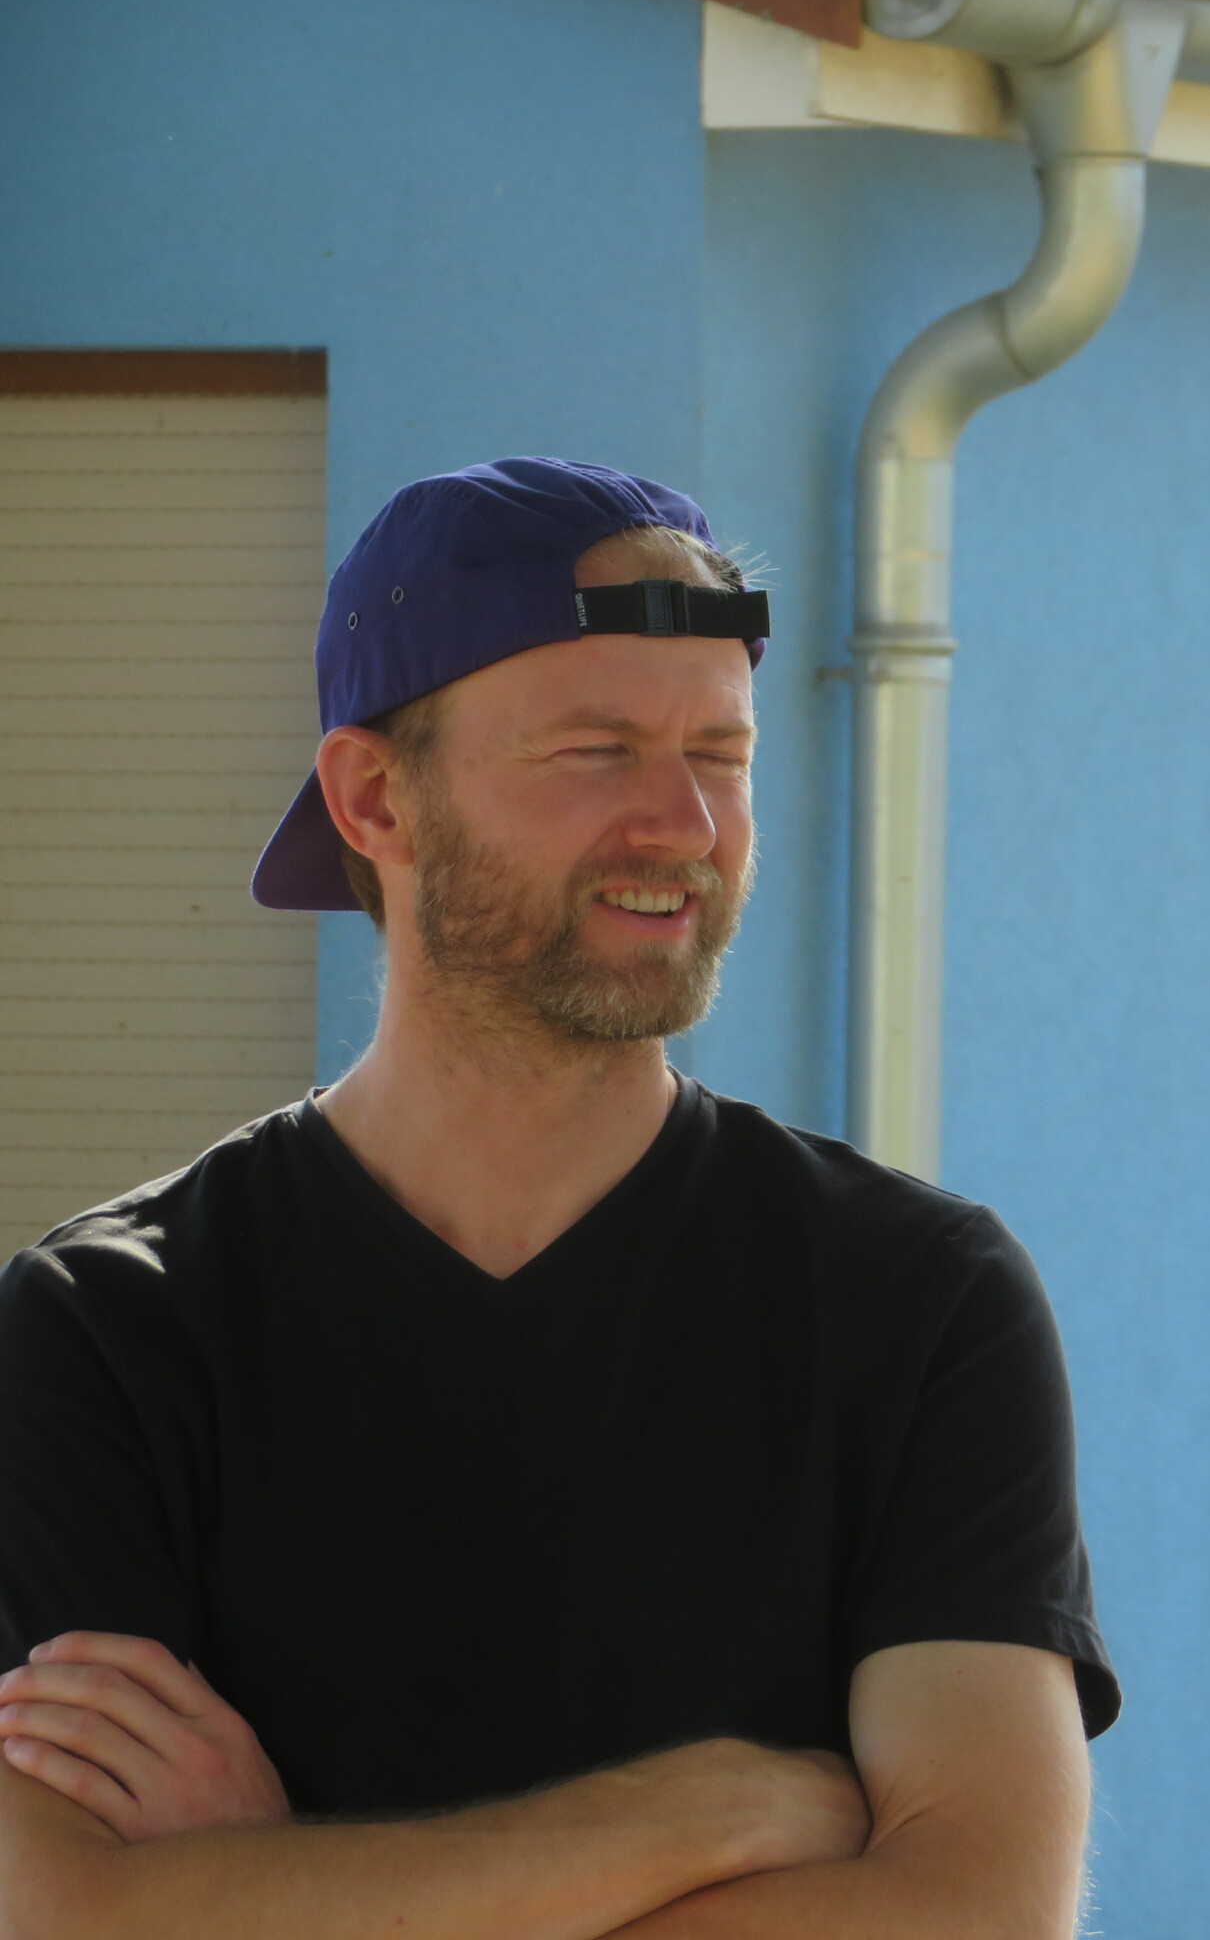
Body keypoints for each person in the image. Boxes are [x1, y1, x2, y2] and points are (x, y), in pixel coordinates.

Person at [0, 457, 1117, 1939]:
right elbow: (63, 1913)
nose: (686, 823)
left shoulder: (918, 1300)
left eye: (720, 754)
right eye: (598, 751)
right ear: (375, 797)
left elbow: (977, 1912)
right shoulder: (108, 1325)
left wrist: (281, 1893)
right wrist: (703, 1812)